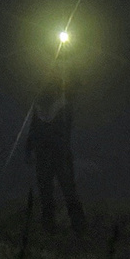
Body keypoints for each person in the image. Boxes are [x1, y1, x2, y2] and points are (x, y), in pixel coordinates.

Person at [26, 66, 86, 237]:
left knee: (63, 192)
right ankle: (57, 227)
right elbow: (33, 131)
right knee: (52, 193)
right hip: (52, 155)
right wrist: (30, 149)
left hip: (56, 155)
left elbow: (35, 131)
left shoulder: (62, 105)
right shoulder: (45, 107)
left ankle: (75, 228)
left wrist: (30, 150)